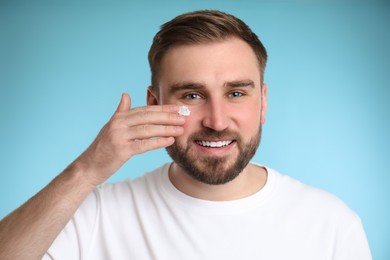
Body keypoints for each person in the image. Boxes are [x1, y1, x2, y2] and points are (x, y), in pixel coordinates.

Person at [0, 10, 371, 260]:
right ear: (154, 102)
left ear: (263, 102)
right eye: (192, 95)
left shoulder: (331, 224)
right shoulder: (96, 214)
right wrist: (86, 171)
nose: (217, 120)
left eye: (236, 93)